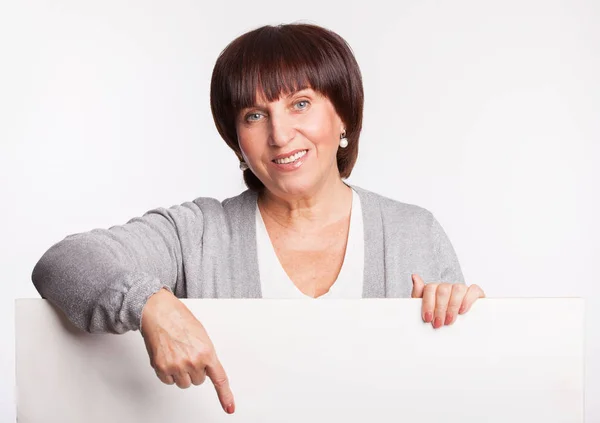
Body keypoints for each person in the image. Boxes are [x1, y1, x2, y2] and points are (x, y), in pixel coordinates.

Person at [31, 23, 485, 415]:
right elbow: (63, 262)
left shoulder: (414, 233)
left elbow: (466, 395)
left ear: (343, 115)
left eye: (301, 104)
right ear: (237, 142)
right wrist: (151, 304)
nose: (280, 134)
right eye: (254, 115)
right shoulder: (198, 233)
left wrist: (459, 319)